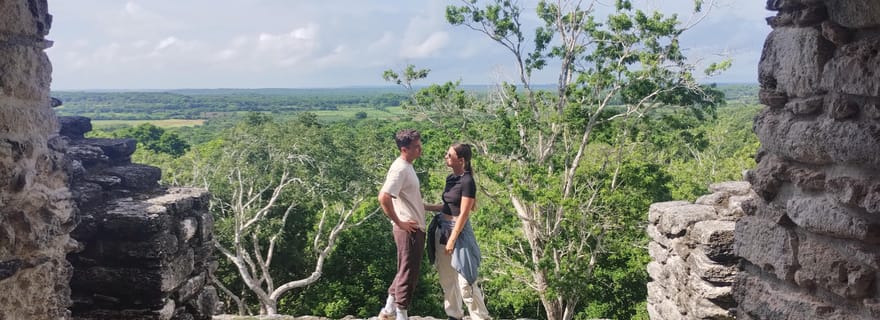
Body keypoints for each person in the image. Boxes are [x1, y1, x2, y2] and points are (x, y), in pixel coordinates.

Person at [425, 143, 491, 320]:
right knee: (447, 279)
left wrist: (452, 239)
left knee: (465, 281)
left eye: (449, 155)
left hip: (458, 234)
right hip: (442, 229)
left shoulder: (467, 181)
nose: (446, 157)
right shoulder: (451, 178)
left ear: (461, 160)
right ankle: (454, 315)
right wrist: (425, 206)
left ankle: (480, 317)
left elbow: (464, 213)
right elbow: (448, 206)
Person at [378, 129, 427, 320]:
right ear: (404, 149)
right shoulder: (400, 168)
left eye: (419, 145)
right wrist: (399, 222)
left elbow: (409, 199)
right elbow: (383, 197)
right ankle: (401, 313)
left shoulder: (407, 166)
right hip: (409, 230)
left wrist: (437, 207)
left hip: (413, 227)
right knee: (409, 273)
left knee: (404, 270)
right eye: (416, 147)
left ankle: (388, 310)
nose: (420, 150)